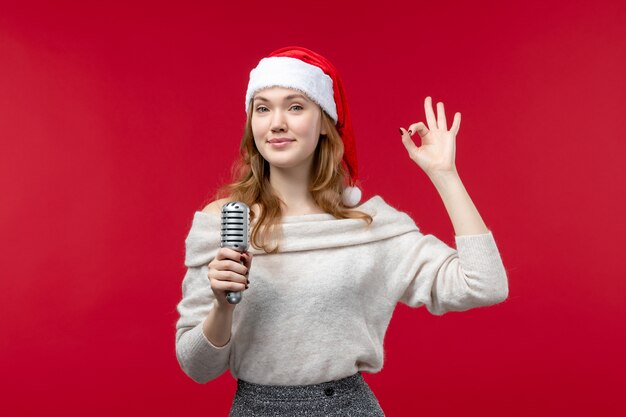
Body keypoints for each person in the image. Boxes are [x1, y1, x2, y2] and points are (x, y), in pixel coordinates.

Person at [174, 45, 509, 416]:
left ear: (324, 124)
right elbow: (197, 367)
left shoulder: (368, 225)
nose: (276, 122)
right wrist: (221, 306)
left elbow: (486, 284)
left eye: (296, 106)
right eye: (263, 108)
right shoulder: (223, 222)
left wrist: (445, 176)